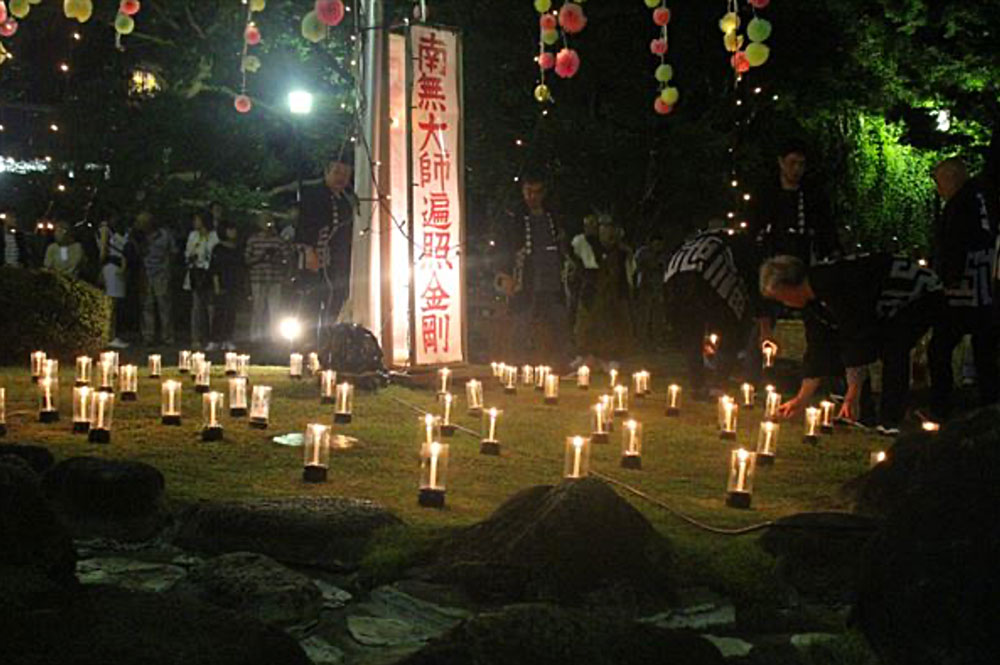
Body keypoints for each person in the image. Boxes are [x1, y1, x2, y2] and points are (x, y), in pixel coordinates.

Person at [760, 254, 945, 435]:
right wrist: (802, 398)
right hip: (884, 303)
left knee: (893, 347)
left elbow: (856, 336)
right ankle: (863, 414)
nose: (784, 303)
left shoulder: (835, 285)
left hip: (920, 295)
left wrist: (853, 392)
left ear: (788, 286)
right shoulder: (814, 301)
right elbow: (818, 346)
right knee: (852, 347)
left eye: (781, 297)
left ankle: (891, 419)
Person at [927, 157, 999, 419]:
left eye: (939, 183)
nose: (939, 191)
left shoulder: (960, 205)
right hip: (985, 287)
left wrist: (945, 282)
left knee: (940, 347)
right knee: (984, 347)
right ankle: (990, 403)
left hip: (963, 290)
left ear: (951, 179)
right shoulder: (983, 200)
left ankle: (941, 406)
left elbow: (954, 247)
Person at [664, 222, 762, 399]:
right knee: (731, 328)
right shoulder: (741, 244)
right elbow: (750, 279)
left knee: (692, 335)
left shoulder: (700, 240)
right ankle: (718, 385)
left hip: (673, 277)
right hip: (705, 276)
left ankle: (698, 385)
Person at [501, 175, 571, 367]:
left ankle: (560, 363)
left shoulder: (552, 216)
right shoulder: (515, 216)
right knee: (522, 323)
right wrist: (506, 275)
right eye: (529, 192)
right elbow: (506, 247)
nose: (532, 197)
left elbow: (561, 244)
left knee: (559, 321)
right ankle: (517, 366)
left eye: (537, 192)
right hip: (526, 279)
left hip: (551, 278)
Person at [748, 139, 841, 264]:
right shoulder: (767, 194)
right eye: (792, 163)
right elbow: (756, 225)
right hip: (774, 259)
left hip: (805, 257)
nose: (797, 169)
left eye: (801, 164)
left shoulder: (813, 194)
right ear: (781, 162)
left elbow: (825, 225)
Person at [302, 155, 357, 326]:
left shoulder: (347, 200)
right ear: (327, 172)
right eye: (337, 172)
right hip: (319, 255)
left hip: (340, 257)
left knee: (336, 298)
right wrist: (309, 251)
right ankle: (309, 338)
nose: (341, 178)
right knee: (313, 300)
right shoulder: (314, 194)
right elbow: (306, 223)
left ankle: (331, 335)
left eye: (346, 174)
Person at [573, 215, 634, 368]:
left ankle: (610, 357)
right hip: (591, 290)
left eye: (609, 227)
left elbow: (627, 273)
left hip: (614, 292)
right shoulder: (587, 245)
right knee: (585, 323)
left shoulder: (622, 252)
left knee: (612, 324)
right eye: (603, 227)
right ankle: (585, 354)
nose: (607, 231)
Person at [245, 212, 291, 343]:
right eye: (265, 221)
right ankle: (255, 336)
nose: (268, 224)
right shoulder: (253, 240)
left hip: (275, 278)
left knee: (275, 309)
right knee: (258, 308)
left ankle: (274, 337)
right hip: (258, 278)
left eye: (270, 221)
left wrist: (277, 260)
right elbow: (247, 260)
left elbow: (287, 258)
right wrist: (261, 258)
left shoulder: (278, 240)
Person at [138, 211, 176, 346]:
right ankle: (148, 336)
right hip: (145, 273)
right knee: (147, 305)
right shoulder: (139, 237)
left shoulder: (165, 235)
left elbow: (173, 252)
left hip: (162, 274)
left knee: (164, 306)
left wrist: (168, 269)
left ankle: (167, 337)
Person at [184, 212, 219, 349]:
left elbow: (214, 254)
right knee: (197, 307)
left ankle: (212, 337)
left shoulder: (214, 236)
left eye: (197, 220)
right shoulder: (193, 235)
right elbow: (188, 252)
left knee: (211, 307)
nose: (195, 222)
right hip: (196, 273)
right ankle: (196, 337)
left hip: (209, 274)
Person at [209, 220, 242, 351]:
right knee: (219, 312)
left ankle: (227, 339)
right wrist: (216, 285)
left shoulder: (237, 248)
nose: (233, 232)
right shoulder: (218, 249)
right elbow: (214, 268)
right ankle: (215, 339)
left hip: (234, 283)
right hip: (222, 283)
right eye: (230, 229)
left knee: (231, 312)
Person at [99, 217, 130, 349]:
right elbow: (103, 250)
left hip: (118, 267)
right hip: (111, 267)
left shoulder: (118, 231)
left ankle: (112, 334)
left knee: (116, 304)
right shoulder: (106, 230)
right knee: (112, 303)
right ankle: (110, 335)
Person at [633, 232, 668, 347]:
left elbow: (665, 269)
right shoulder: (643, 253)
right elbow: (636, 268)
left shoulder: (663, 255)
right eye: (656, 244)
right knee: (643, 317)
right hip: (645, 288)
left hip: (658, 289)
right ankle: (641, 341)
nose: (658, 247)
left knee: (657, 317)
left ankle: (657, 341)